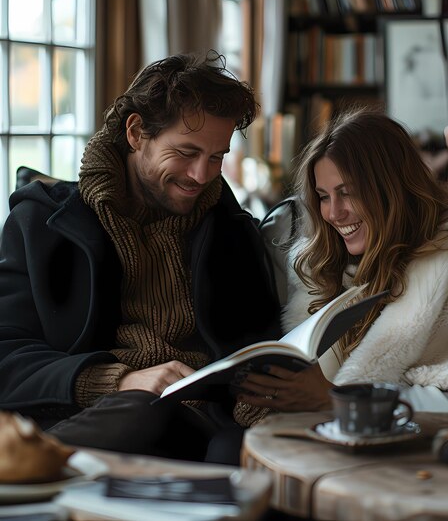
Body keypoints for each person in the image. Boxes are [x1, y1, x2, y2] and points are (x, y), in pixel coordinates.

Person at [0, 51, 281, 463]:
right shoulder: (40, 222)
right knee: (139, 411)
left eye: (216, 157)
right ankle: (27, 468)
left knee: (239, 451)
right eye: (186, 152)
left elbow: (257, 340)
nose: (201, 176)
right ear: (135, 133)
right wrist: (119, 380)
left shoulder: (230, 225)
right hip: (98, 415)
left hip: (207, 422)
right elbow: (6, 355)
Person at [236, 107, 448, 416]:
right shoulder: (327, 266)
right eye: (323, 196)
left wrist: (339, 400)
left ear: (391, 189)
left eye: (348, 193)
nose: (334, 213)